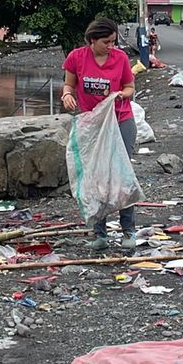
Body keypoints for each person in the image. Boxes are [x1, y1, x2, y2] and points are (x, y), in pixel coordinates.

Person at [62, 17, 137, 254]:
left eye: (113, 42)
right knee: (96, 176)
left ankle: (128, 231)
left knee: (121, 174)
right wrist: (67, 96)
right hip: (92, 124)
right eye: (106, 42)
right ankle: (99, 234)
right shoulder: (76, 57)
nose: (110, 46)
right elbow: (69, 85)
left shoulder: (120, 58)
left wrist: (122, 95)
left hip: (120, 121)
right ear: (92, 40)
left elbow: (130, 86)